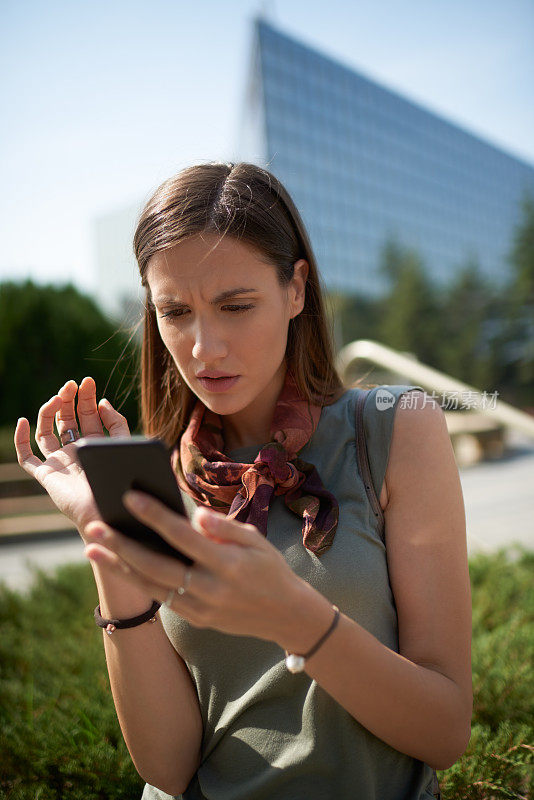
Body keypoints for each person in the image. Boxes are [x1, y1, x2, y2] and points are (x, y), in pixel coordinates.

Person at [14, 162, 472, 800]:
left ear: (295, 290)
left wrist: (295, 617)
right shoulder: (155, 480)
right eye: (175, 311)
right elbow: (168, 769)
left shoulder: (393, 429)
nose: (204, 347)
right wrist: (108, 526)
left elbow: (446, 731)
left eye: (235, 306)